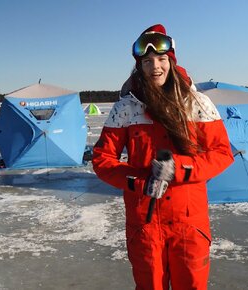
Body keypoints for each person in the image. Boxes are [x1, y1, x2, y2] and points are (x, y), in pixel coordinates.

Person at [92, 24, 234, 290]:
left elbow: (222, 153)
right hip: (145, 223)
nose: (154, 67)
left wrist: (181, 168)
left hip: (189, 223)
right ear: (139, 66)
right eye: (146, 61)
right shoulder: (126, 108)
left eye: (160, 59)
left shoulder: (198, 103)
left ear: (171, 60)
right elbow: (102, 160)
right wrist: (139, 181)